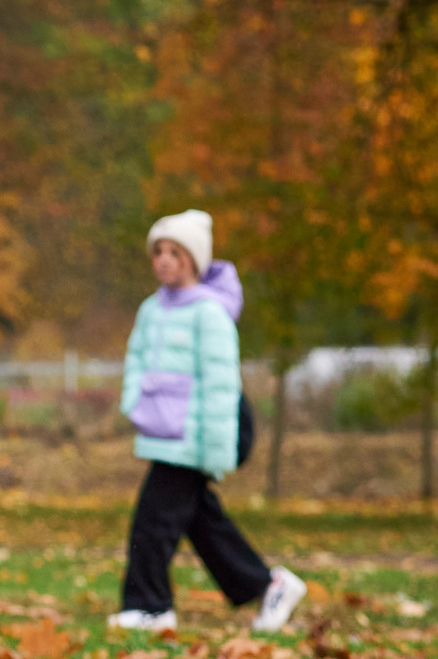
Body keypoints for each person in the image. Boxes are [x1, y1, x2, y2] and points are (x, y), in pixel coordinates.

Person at [108, 209, 306, 633]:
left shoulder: (209, 313)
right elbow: (137, 361)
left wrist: (213, 450)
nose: (163, 260)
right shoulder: (151, 309)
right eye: (157, 252)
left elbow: (221, 389)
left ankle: (150, 606)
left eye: (174, 253)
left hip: (196, 438)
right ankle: (269, 584)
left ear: (194, 261)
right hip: (164, 433)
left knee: (153, 523)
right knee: (201, 522)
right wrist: (135, 405)